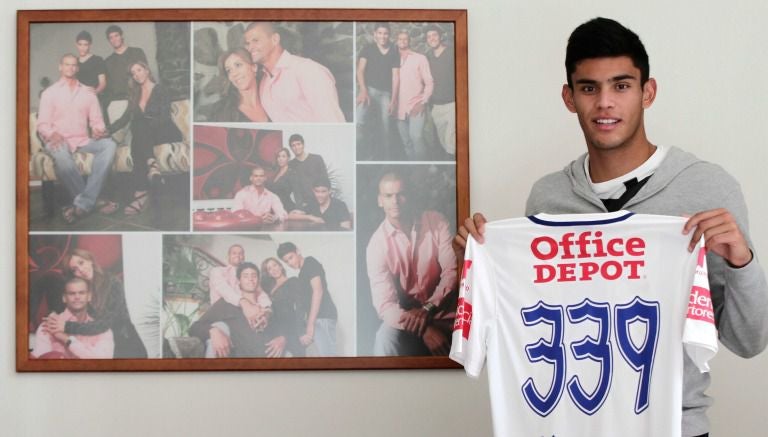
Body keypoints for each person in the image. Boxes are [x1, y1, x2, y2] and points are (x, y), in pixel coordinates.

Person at [453, 17, 768, 437]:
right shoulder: (547, 201)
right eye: (589, 88)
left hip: (674, 426)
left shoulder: (707, 188)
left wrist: (743, 262)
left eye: (621, 86)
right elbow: (527, 334)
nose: (604, 103)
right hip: (565, 423)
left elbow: (750, 342)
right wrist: (477, 268)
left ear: (647, 92)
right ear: (569, 98)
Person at [366, 171, 457, 356]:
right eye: (388, 196)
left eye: (401, 194)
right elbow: (385, 305)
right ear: (380, 200)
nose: (395, 201)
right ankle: (381, 385)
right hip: (407, 321)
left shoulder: (436, 221)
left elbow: (451, 272)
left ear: (409, 196)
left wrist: (428, 308)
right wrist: (423, 328)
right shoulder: (376, 245)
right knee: (384, 337)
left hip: (446, 315)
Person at [36, 53, 117, 223]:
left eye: (73, 65)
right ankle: (93, 202)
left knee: (109, 145)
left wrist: (98, 131)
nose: (70, 68)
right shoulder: (49, 93)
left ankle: (83, 203)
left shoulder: (88, 93)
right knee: (61, 156)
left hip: (82, 140)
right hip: (59, 140)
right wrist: (52, 134)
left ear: (77, 68)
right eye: (67, 64)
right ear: (60, 67)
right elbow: (42, 124)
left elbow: (97, 122)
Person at [109, 61, 183, 216]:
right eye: (133, 73)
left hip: (166, 131)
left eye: (139, 70)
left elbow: (164, 117)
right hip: (146, 136)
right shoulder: (134, 95)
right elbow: (124, 119)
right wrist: (106, 130)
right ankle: (151, 168)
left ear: (147, 70)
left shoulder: (161, 89)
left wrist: (145, 122)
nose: (137, 75)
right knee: (138, 132)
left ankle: (141, 194)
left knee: (140, 126)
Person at [42, 248, 147, 358]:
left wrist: (67, 326)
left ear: (90, 260)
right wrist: (52, 317)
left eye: (81, 263)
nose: (81, 270)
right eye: (75, 270)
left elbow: (105, 324)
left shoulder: (113, 283)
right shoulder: (83, 291)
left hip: (127, 345)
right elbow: (63, 306)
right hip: (101, 346)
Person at [242, 22, 345, 123]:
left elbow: (333, 123)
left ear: (275, 39)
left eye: (255, 40)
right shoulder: (264, 82)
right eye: (247, 43)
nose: (250, 48)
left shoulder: (307, 70)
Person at [189, 262, 274, 358]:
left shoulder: (265, 307)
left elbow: (282, 329)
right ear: (239, 281)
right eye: (245, 276)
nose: (250, 279)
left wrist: (282, 339)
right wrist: (213, 331)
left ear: (258, 280)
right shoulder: (226, 304)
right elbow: (194, 328)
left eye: (254, 276)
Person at [277, 242, 339, 356]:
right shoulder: (301, 274)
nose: (290, 263)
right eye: (286, 261)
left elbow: (318, 291)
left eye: (291, 257)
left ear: (298, 251)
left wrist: (310, 324)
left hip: (323, 316)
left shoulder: (310, 262)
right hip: (318, 318)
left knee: (329, 358)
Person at [32, 277, 114, 359]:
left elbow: (103, 361)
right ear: (64, 298)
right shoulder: (48, 325)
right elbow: (42, 364)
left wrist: (66, 339)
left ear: (89, 296)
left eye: (81, 293)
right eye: (72, 293)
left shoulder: (102, 329)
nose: (77, 297)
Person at [356, 22, 400, 160]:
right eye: (380, 33)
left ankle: (386, 159)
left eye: (385, 33)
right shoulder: (368, 49)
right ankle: (362, 155)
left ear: (389, 35)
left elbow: (396, 77)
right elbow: (360, 70)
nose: (382, 36)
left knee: (386, 129)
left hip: (386, 94)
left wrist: (393, 100)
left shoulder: (394, 52)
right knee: (359, 122)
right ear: (375, 34)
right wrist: (363, 91)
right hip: (368, 91)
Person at [395, 30, 434, 161]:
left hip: (416, 104)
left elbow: (429, 82)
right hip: (398, 108)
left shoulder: (420, 58)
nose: (403, 41)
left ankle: (424, 167)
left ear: (409, 41)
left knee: (416, 137)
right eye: (400, 39)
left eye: (405, 39)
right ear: (396, 41)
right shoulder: (392, 59)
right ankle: (414, 168)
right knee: (406, 142)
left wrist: (423, 102)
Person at [103, 25, 148, 126]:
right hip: (119, 102)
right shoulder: (108, 62)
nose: (114, 39)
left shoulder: (137, 52)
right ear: (109, 40)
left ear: (121, 36)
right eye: (111, 37)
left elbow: (146, 75)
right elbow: (108, 86)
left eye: (116, 35)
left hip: (138, 98)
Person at [261, 257, 306, 357]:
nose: (274, 269)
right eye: (269, 268)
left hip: (290, 329)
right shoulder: (269, 289)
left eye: (275, 265)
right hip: (274, 330)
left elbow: (300, 308)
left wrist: (301, 332)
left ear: (281, 266)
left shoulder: (293, 281)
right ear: (268, 273)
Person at [211, 48, 269, 122]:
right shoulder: (223, 111)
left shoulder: (272, 100)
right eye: (229, 70)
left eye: (238, 65)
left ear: (254, 67)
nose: (234, 74)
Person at [425, 25, 456, 157]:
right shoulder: (427, 57)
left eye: (435, 35)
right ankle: (450, 171)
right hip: (436, 106)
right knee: (443, 140)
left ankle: (452, 173)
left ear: (440, 36)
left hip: (452, 104)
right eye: (429, 37)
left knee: (451, 141)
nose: (432, 38)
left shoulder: (451, 53)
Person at [287, 176, 352, 231]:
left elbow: (346, 229)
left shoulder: (340, 205)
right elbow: (289, 216)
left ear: (329, 191)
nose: (320, 195)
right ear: (313, 191)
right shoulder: (312, 204)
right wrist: (310, 217)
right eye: (317, 191)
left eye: (323, 191)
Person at [287, 134, 329, 211]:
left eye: (298, 144)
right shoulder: (291, 164)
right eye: (293, 145)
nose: (296, 147)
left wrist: (325, 201)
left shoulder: (317, 159)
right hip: (304, 205)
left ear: (303, 145)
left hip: (320, 201)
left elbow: (325, 180)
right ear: (291, 148)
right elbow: (295, 187)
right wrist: (300, 205)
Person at [265, 147, 298, 212]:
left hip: (286, 207)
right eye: (278, 156)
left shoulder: (291, 173)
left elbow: (297, 192)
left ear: (288, 158)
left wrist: (299, 208)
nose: (280, 159)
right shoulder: (276, 172)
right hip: (274, 207)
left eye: (283, 156)